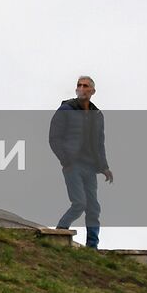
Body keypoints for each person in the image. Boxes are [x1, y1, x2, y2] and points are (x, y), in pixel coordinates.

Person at [49, 75, 114, 248]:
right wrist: (66, 160)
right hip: (73, 165)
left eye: (86, 86)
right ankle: (60, 231)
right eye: (79, 85)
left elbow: (99, 143)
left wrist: (105, 167)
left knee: (93, 207)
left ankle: (92, 245)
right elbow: (54, 138)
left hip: (90, 166)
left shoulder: (97, 115)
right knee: (79, 203)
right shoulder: (66, 109)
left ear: (92, 91)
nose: (82, 88)